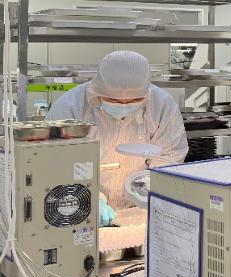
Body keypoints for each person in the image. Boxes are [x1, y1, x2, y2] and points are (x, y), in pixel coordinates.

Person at [49, 51, 188, 217]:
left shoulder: (162, 105)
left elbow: (170, 157)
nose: (124, 106)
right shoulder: (70, 107)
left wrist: (147, 192)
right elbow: (59, 163)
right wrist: (89, 198)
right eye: (114, 100)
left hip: (138, 207)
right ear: (97, 92)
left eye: (134, 101)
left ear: (146, 95)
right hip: (80, 205)